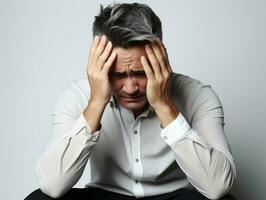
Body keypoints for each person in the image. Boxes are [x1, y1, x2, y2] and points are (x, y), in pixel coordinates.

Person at [25, 3, 236, 200]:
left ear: (160, 59)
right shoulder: (76, 97)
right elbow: (52, 186)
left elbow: (217, 187)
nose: (130, 88)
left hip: (175, 196)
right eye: (117, 75)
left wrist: (164, 105)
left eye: (141, 73)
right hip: (105, 195)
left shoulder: (198, 96)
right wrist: (97, 102)